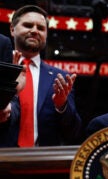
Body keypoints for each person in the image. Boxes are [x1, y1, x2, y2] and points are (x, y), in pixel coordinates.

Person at [0, 5, 82, 147]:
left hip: (42, 161)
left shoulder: (60, 78)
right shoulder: (1, 68)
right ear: (12, 30)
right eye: (28, 25)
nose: (34, 31)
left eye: (41, 28)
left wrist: (62, 106)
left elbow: (73, 132)